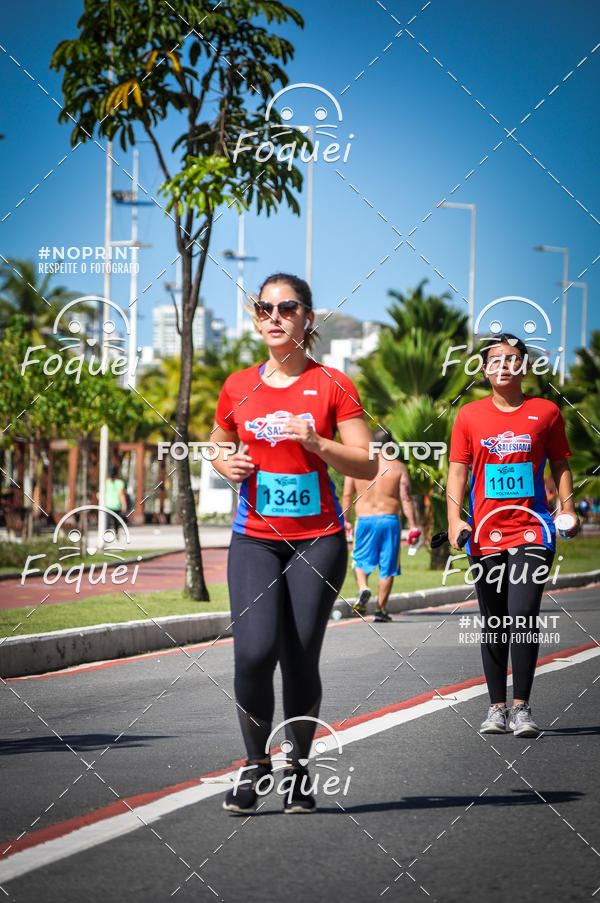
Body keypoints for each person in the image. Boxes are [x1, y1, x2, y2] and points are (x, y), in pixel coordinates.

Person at [211, 272, 376, 814]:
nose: (274, 317)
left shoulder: (334, 383)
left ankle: (299, 767)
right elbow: (219, 436)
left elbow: (366, 460)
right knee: (255, 652)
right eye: (264, 308)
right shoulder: (238, 384)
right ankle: (256, 765)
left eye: (286, 308)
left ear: (308, 317)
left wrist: (316, 441)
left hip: (318, 540)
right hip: (254, 538)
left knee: (300, 657)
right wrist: (221, 460)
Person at [447, 333, 579, 737]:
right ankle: (496, 708)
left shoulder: (546, 412)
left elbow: (560, 464)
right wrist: (455, 520)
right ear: (484, 369)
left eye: (512, 359)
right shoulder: (469, 415)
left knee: (522, 616)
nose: (503, 366)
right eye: (495, 360)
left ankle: (522, 706)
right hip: (485, 533)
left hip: (532, 530)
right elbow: (458, 471)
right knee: (494, 620)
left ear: (524, 366)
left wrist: (568, 508)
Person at [342, 428, 420, 622]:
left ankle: (362, 588)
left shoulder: (357, 467)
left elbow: (346, 495)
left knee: (358, 560)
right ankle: (380, 610)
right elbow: (406, 498)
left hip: (364, 520)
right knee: (388, 567)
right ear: (391, 445)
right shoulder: (398, 467)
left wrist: (344, 520)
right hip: (389, 521)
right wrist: (413, 526)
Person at [105, 465, 127, 538]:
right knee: (116, 522)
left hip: (109, 505)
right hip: (115, 505)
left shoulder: (106, 482)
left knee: (108, 522)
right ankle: (116, 534)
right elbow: (122, 495)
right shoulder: (120, 482)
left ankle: (108, 535)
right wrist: (124, 504)